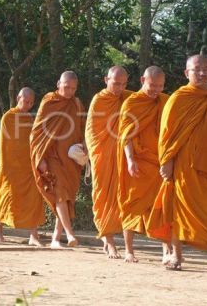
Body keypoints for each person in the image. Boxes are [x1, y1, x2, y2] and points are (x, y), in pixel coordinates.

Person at [148, 55, 207, 275]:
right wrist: (166, 161)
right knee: (178, 209)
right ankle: (176, 256)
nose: (202, 74)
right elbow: (167, 134)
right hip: (183, 167)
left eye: (206, 69)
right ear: (186, 73)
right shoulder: (178, 99)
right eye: (197, 70)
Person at [117, 66, 170, 263]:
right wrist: (130, 160)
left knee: (163, 206)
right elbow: (126, 136)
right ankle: (129, 250)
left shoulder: (164, 102)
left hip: (159, 162)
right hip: (138, 162)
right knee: (131, 204)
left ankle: (166, 250)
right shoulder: (132, 103)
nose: (156, 90)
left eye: (160, 86)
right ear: (142, 80)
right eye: (152, 85)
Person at [30, 71, 86, 248]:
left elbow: (84, 128)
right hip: (52, 156)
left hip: (71, 158)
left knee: (67, 197)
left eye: (73, 88)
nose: (69, 91)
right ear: (58, 83)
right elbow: (37, 132)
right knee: (60, 194)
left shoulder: (76, 104)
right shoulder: (49, 102)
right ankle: (70, 235)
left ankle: (56, 238)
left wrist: (84, 146)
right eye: (66, 87)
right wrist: (40, 158)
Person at [86, 66, 133, 258]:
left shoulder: (128, 98)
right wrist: (98, 153)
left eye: (123, 84)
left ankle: (112, 240)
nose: (119, 87)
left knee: (122, 197)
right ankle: (109, 239)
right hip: (103, 155)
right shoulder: (99, 100)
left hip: (122, 155)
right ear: (106, 79)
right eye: (115, 83)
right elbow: (92, 133)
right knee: (103, 195)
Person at [0, 87, 45, 246]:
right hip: (11, 166)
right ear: (18, 98)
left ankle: (34, 235)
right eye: (26, 101)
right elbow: (4, 144)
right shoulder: (8, 117)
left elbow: (33, 143)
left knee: (34, 198)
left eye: (31, 102)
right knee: (6, 196)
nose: (28, 105)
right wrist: (4, 165)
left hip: (28, 165)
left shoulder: (30, 120)